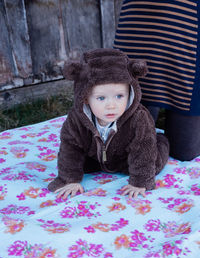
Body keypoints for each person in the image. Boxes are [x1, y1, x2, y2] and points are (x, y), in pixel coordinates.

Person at [48, 48, 169, 199]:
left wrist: (139, 182)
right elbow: (70, 147)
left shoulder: (138, 118)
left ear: (130, 93)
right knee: (80, 164)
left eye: (119, 96)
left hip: (126, 160)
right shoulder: (77, 119)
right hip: (96, 157)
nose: (111, 105)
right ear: (85, 98)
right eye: (101, 98)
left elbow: (142, 149)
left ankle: (162, 141)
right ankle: (94, 166)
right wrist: (69, 179)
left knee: (152, 163)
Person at [114, 0, 200, 161]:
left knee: (185, 154)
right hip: (137, 31)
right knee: (126, 150)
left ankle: (156, 147)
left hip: (186, 34)